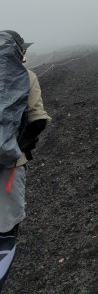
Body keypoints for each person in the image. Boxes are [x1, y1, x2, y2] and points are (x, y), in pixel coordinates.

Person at [0, 30, 51, 291]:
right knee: (5, 233)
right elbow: (38, 120)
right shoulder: (27, 77)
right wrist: (18, 150)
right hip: (9, 169)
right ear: (19, 51)